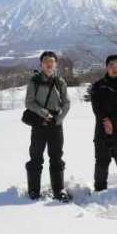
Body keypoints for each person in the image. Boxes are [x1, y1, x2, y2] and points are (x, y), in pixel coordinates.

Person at [24, 51, 71, 201]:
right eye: (45, 61)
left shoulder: (60, 81)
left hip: (56, 123)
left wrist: (59, 119)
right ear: (41, 64)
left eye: (52, 61)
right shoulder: (34, 81)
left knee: (56, 157)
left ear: (56, 64)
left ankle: (59, 190)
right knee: (36, 157)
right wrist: (43, 113)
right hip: (39, 122)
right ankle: (33, 190)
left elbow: (67, 103)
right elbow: (29, 102)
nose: (49, 64)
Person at [90, 54, 117, 191]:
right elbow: (96, 107)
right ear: (106, 67)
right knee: (102, 159)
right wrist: (105, 120)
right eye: (111, 65)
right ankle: (99, 188)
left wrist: (112, 121)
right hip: (102, 128)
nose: (114, 68)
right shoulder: (98, 86)